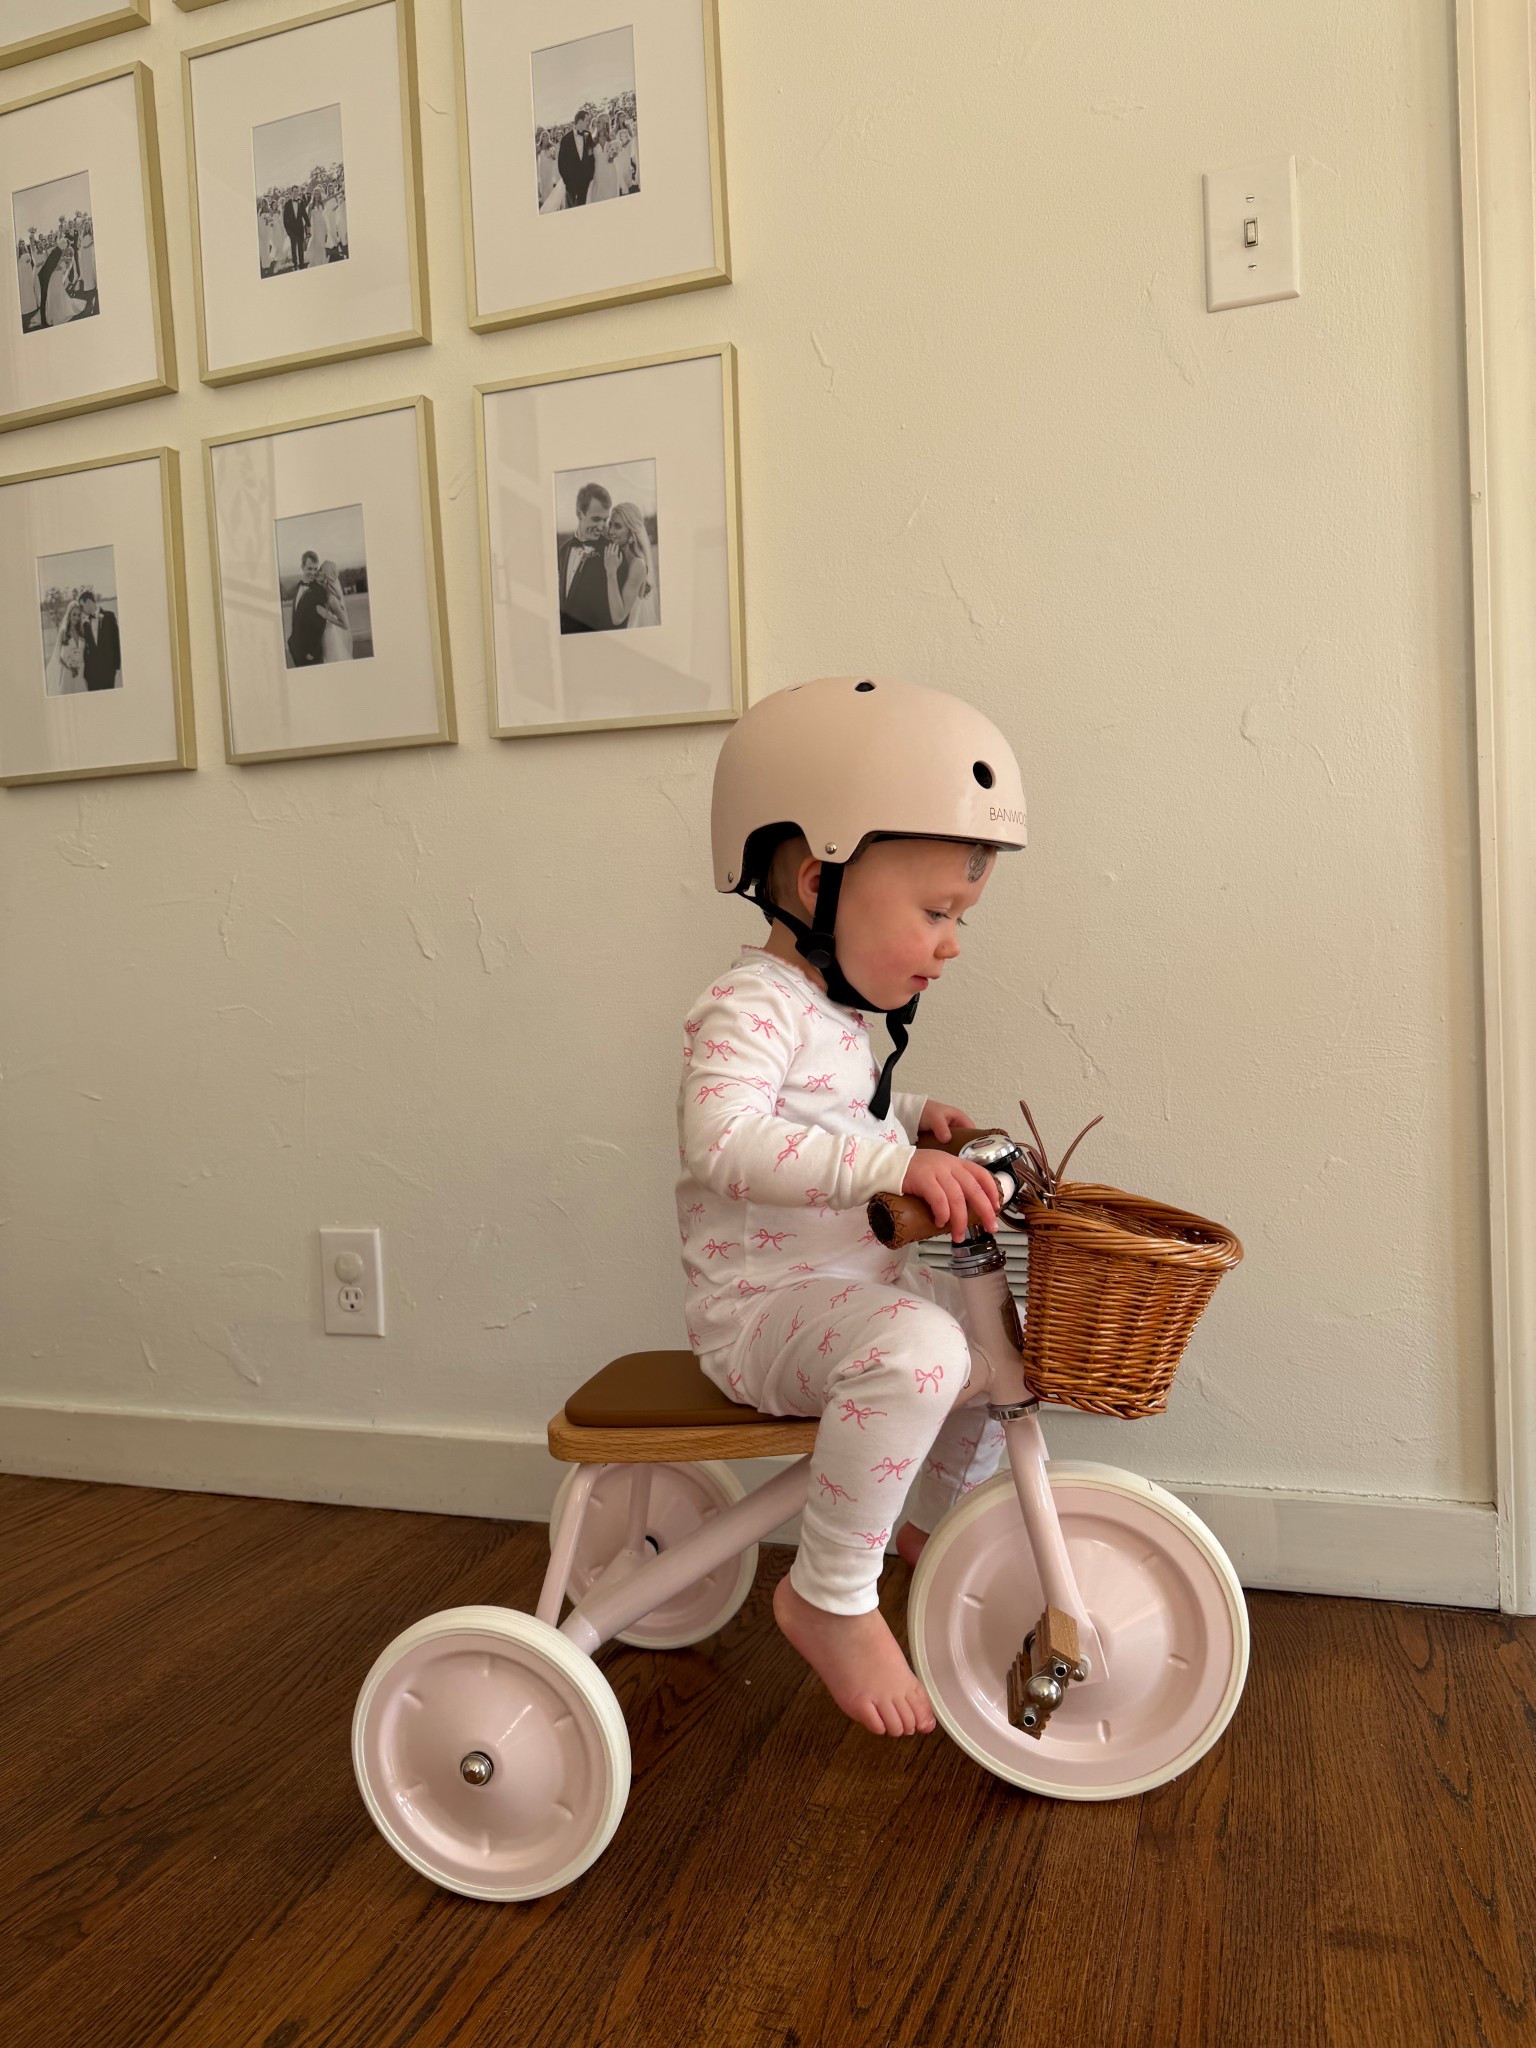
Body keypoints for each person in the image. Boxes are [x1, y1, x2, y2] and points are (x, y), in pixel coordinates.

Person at [677, 675, 1029, 1737]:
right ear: (817, 880)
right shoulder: (748, 1005)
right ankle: (829, 1594)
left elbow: (836, 1112)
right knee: (925, 1352)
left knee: (991, 1336)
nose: (951, 940)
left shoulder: (834, 1019)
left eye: (960, 914)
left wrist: (912, 1117)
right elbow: (725, 1140)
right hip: (762, 1310)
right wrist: (884, 1170)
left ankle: (913, 1527)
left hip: (843, 1295)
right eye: (935, 911)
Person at [557, 481, 615, 632]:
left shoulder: (612, 551)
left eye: (605, 520)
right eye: (596, 519)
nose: (602, 526)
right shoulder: (563, 551)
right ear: (579, 513)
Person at [603, 502, 658, 628]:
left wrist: (611, 573)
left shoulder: (638, 564)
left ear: (631, 533)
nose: (610, 531)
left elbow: (618, 617)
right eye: (610, 525)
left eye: (617, 526)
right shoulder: (618, 558)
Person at [286, 551, 329, 666]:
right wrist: (291, 643)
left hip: (310, 655)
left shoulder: (320, 592)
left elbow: (321, 624)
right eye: (310, 569)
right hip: (295, 647)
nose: (313, 573)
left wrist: (312, 652)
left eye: (315, 569)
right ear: (302, 567)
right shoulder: (298, 587)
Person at [78, 589, 120, 690]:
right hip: (91, 674)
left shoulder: (109, 616)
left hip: (108, 670)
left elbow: (116, 641)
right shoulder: (85, 623)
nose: (82, 609)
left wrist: (115, 666)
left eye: (82, 606)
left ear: (88, 602)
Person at [557, 107, 596, 208]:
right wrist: (567, 181)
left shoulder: (588, 136)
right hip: (571, 183)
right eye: (587, 120)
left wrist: (590, 175)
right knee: (570, 209)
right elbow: (561, 163)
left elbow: (591, 157)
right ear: (580, 121)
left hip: (585, 180)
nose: (588, 123)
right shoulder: (565, 140)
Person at [48, 599, 88, 694]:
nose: (76, 617)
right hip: (68, 673)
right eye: (74, 614)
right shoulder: (63, 633)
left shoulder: (82, 633)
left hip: (82, 672)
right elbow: (58, 657)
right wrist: (70, 667)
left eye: (79, 615)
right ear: (69, 614)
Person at [317, 560, 353, 662]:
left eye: (320, 570)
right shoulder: (324, 591)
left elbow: (345, 625)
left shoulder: (332, 599)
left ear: (327, 574)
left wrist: (327, 616)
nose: (317, 572)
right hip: (322, 635)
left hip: (329, 637)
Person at [282, 188, 309, 273]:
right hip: (292, 230)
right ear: (291, 192)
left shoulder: (301, 202)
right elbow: (285, 220)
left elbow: (305, 214)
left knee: (301, 247)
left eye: (297, 191)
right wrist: (288, 232)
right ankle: (295, 264)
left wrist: (308, 225)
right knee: (294, 248)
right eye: (294, 191)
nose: (296, 193)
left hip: (300, 229)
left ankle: (301, 264)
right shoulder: (287, 204)